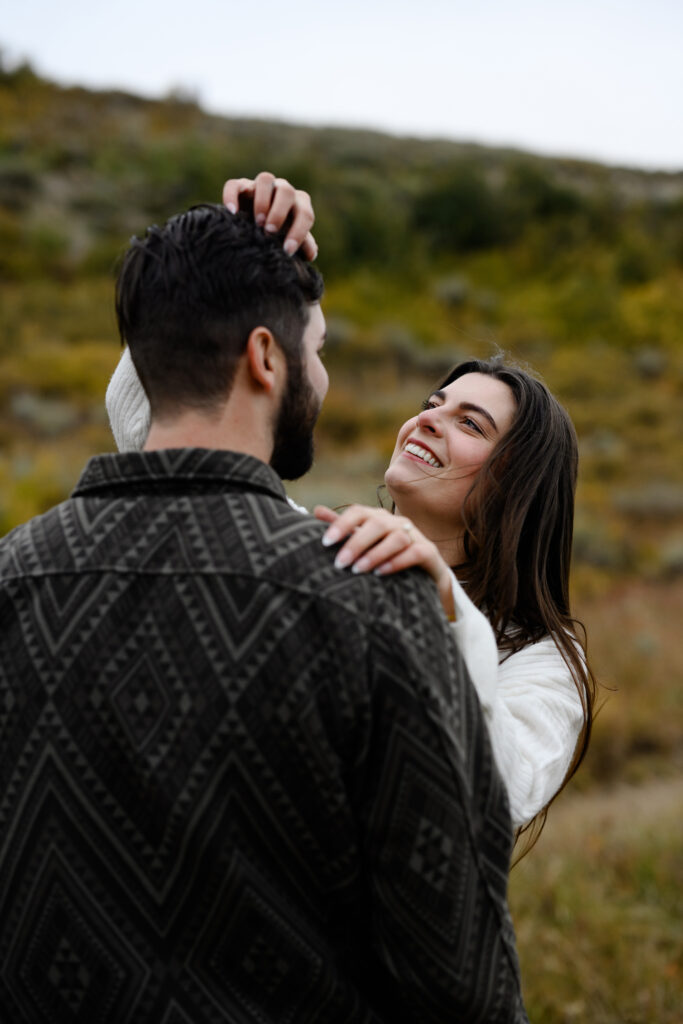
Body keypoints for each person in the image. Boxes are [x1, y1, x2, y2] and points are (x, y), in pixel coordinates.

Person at [0, 199, 528, 1022]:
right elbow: (459, 976)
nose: (321, 376)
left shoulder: (12, 577)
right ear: (264, 358)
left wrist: (212, 257)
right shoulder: (371, 605)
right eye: (315, 353)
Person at [107, 174, 596, 839]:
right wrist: (246, 257)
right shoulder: (313, 547)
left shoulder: (541, 658)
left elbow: (497, 792)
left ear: (520, 484)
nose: (427, 421)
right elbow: (150, 421)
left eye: (469, 424)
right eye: (431, 406)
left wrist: (444, 607)